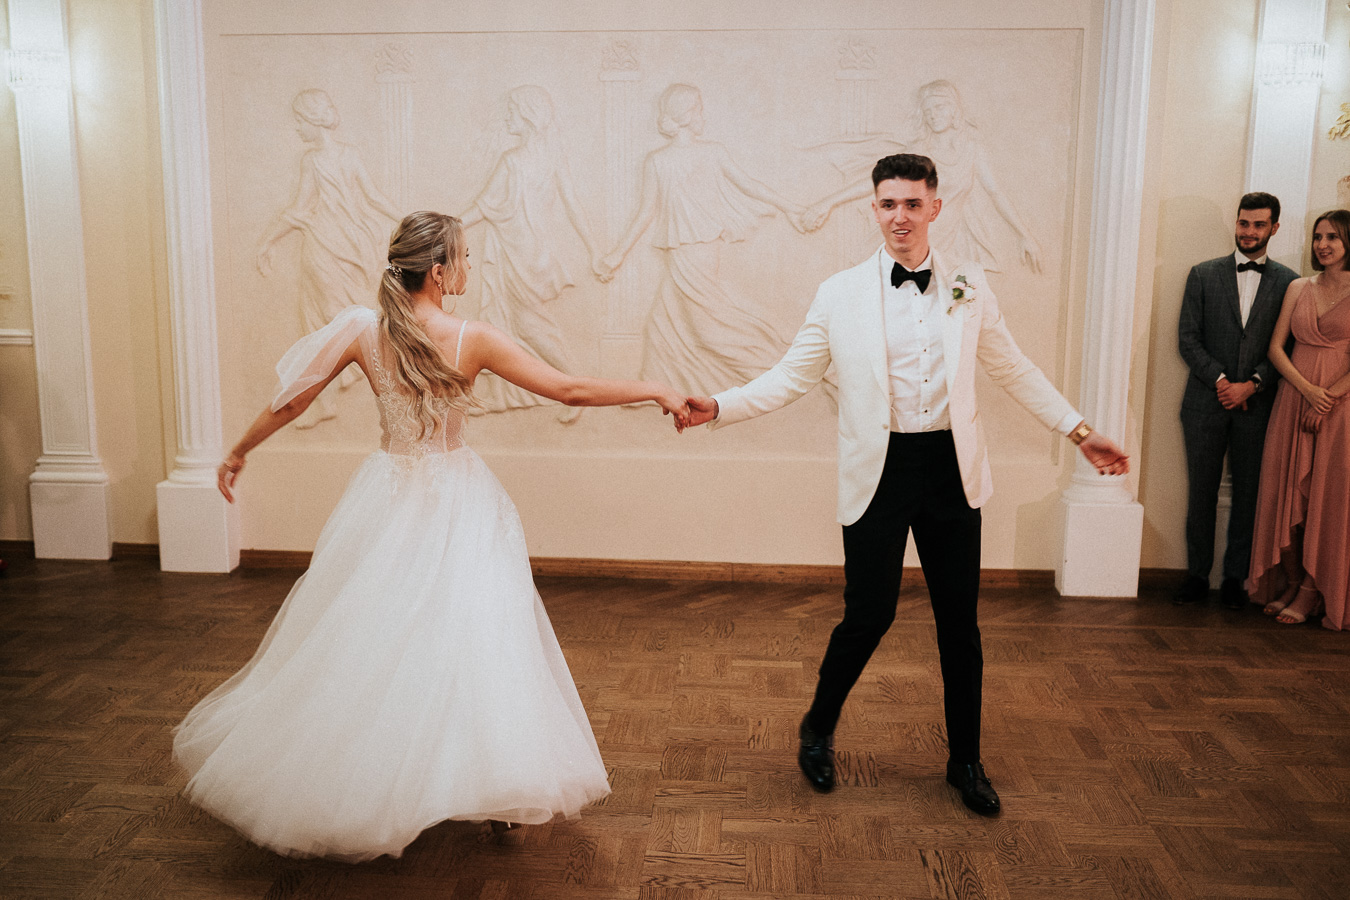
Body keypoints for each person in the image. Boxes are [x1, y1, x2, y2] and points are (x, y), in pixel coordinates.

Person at [175, 211, 690, 861]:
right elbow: (569, 389)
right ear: (439, 273)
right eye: (465, 257)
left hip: (387, 495)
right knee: (478, 637)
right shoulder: (472, 338)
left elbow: (294, 399)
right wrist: (655, 388)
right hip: (456, 500)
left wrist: (238, 451)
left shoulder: (363, 329)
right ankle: (493, 791)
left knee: (375, 637)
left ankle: (378, 776)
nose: (472, 266)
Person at [681, 154, 1129, 815]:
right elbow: (790, 376)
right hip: (880, 471)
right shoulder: (839, 293)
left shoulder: (969, 285)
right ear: (874, 208)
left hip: (952, 471)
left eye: (913, 204)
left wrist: (1079, 430)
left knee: (960, 624)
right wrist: (719, 405)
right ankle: (817, 729)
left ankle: (966, 761)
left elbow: (1014, 368)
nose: (900, 216)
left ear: (934, 209)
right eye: (888, 204)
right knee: (869, 613)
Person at [596, 83, 808, 396]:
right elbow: (647, 212)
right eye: (698, 109)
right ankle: (658, 392)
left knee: (708, 327)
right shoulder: (658, 160)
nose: (702, 115)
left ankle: (782, 377)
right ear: (685, 115)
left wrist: (790, 207)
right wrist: (618, 254)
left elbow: (748, 185)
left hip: (698, 249)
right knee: (663, 324)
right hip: (680, 250)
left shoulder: (710, 153)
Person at [1174, 193, 1298, 610]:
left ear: (1274, 228)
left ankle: (1235, 579)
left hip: (1259, 408)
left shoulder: (1290, 283)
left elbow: (1291, 347)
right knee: (1201, 493)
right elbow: (1188, 339)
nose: (1249, 232)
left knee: (1249, 495)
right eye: (1244, 223)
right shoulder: (1202, 274)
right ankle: (1196, 576)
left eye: (1259, 225)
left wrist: (1253, 384)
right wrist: (1224, 382)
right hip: (1204, 404)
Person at [256, 89, 402, 428]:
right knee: (327, 325)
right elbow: (305, 207)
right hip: (332, 245)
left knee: (335, 324)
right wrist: (268, 242)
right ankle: (327, 399)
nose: (297, 128)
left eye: (299, 120)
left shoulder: (322, 159)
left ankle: (359, 393)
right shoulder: (324, 158)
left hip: (333, 244)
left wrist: (409, 220)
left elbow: (370, 197)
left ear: (313, 120)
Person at [459, 85, 602, 423]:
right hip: (533, 252)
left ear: (526, 116)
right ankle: (504, 395)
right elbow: (573, 206)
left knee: (528, 326)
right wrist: (593, 250)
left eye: (512, 111)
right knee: (502, 325)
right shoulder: (551, 158)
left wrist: (445, 227)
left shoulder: (513, 160)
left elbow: (483, 207)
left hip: (520, 256)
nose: (507, 117)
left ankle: (578, 389)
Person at [796, 81, 1040, 273]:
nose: (933, 115)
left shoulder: (972, 150)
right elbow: (878, 184)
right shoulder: (920, 151)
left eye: (940, 107)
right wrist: (827, 202)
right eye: (928, 110)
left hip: (951, 241)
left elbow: (995, 193)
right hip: (914, 237)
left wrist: (1024, 235)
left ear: (954, 110)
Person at [1247, 209, 1350, 630]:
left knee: (1326, 499)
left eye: (1332, 237)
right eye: (1318, 236)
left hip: (1339, 407)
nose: (1322, 245)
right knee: (1284, 493)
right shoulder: (1297, 287)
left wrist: (1327, 398)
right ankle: (1291, 581)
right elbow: (1275, 348)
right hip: (1293, 398)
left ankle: (1311, 589)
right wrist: (1307, 391)